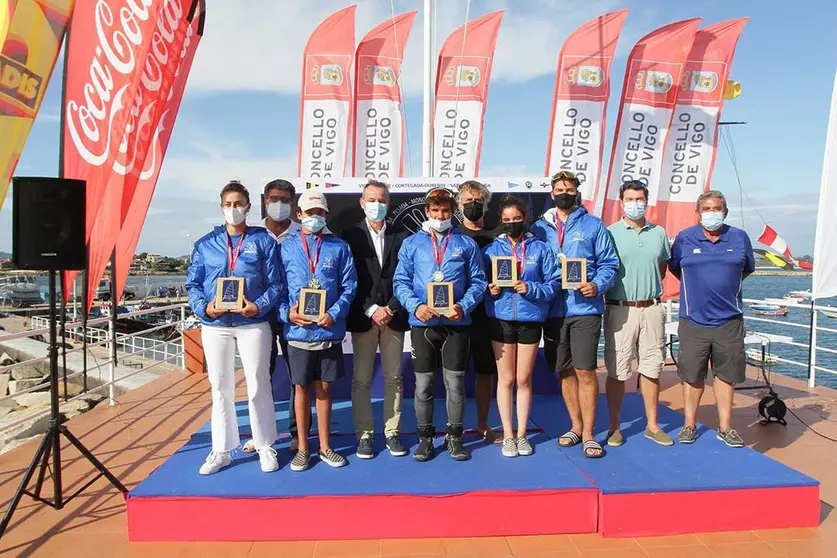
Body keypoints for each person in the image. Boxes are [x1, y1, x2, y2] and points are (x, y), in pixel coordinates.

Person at [185, 180, 281, 475]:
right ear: (221, 207)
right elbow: (193, 285)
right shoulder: (205, 244)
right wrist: (205, 308)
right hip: (216, 324)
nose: (233, 210)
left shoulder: (263, 241)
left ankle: (264, 444)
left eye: (238, 204)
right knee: (220, 387)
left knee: (257, 383)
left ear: (248, 208)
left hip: (253, 322)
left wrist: (259, 306)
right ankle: (221, 450)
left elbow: (277, 284)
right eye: (228, 205)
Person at [393, 187, 487, 462]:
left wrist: (463, 306)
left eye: (445, 211)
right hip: (423, 323)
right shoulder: (412, 244)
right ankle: (425, 439)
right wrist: (416, 306)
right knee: (423, 385)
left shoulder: (465, 244)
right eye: (435, 211)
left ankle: (455, 437)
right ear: (427, 212)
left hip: (456, 323)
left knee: (455, 384)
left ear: (452, 212)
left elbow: (479, 282)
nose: (441, 215)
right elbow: (400, 282)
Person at [531, 171, 618, 459]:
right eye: (559, 189)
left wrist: (597, 284)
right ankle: (575, 426)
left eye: (569, 189)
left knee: (585, 370)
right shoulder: (539, 228)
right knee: (565, 370)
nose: (564, 193)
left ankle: (591, 434)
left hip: (584, 309)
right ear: (552, 193)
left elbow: (609, 263)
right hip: (553, 310)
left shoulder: (594, 225)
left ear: (577, 192)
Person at [278, 190, 357, 471]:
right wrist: (287, 313)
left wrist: (333, 313)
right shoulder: (286, 247)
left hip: (327, 331)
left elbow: (349, 287)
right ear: (299, 215)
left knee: (324, 389)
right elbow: (279, 289)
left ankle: (325, 446)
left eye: (320, 213)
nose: (315, 218)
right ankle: (302, 447)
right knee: (301, 388)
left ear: (326, 214)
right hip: (298, 333)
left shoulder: (339, 247)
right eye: (309, 213)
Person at [669, 190, 754, 448]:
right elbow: (675, 268)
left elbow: (747, 269)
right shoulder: (684, 239)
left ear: (725, 212)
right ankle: (689, 425)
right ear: (698, 212)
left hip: (729, 321)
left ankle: (726, 428)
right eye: (706, 208)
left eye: (716, 208)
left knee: (726, 376)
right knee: (692, 376)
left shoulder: (739, 238)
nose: (712, 213)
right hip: (693, 320)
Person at [483, 195, 559, 457]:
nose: (512, 223)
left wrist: (531, 288)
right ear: (501, 222)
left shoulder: (540, 249)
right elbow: (477, 284)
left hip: (530, 318)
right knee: (506, 379)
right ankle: (507, 435)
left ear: (525, 218)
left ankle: (523, 434)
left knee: (524, 379)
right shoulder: (491, 250)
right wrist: (489, 290)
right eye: (507, 220)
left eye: (516, 219)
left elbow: (553, 283)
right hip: (501, 318)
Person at [342, 180, 409, 459]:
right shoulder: (349, 236)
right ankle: (365, 436)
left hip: (393, 316)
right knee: (361, 380)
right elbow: (348, 280)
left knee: (394, 378)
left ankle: (392, 433)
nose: (376, 204)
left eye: (381, 199)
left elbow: (405, 275)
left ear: (388, 203)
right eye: (371, 199)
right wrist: (371, 309)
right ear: (361, 202)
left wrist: (390, 307)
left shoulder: (403, 235)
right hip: (364, 317)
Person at [603, 181, 672, 448]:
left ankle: (652, 425)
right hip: (620, 308)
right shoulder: (609, 233)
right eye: (630, 198)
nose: (635, 203)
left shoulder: (659, 233)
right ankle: (614, 426)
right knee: (617, 370)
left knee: (652, 367)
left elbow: (662, 266)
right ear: (621, 201)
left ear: (647, 200)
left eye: (640, 198)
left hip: (652, 308)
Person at [242, 179, 306, 454]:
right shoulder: (252, 237)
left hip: (294, 315)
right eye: (273, 199)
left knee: (297, 377)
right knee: (259, 375)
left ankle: (296, 434)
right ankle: (260, 434)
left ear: (292, 204)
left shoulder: (304, 234)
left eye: (284, 200)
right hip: (259, 315)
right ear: (264, 202)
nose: (278, 204)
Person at [456, 180, 499, 444]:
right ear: (459, 206)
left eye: (478, 201)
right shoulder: (451, 235)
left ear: (485, 205)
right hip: (458, 314)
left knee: (485, 372)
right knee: (455, 374)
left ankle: (483, 424)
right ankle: (455, 427)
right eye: (468, 201)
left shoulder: (498, 236)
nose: (473, 206)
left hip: (488, 315)